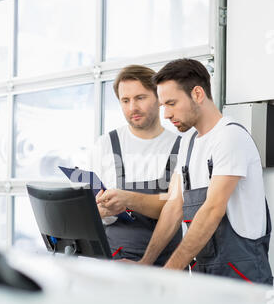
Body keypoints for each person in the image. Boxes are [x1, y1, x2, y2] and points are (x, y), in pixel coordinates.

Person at [119, 58, 273, 285]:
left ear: (198, 94)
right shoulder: (188, 142)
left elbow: (212, 210)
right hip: (204, 274)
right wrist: (146, 264)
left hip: (242, 277)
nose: (166, 115)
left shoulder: (230, 137)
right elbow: (173, 206)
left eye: (171, 103)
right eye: (163, 106)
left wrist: (168, 272)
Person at [89, 64, 182, 265]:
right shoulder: (105, 145)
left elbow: (173, 206)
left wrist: (127, 199)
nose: (133, 108)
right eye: (125, 100)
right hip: (114, 263)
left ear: (158, 98)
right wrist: (103, 211)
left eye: (140, 98)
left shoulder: (180, 146)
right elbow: (90, 210)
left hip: (165, 267)